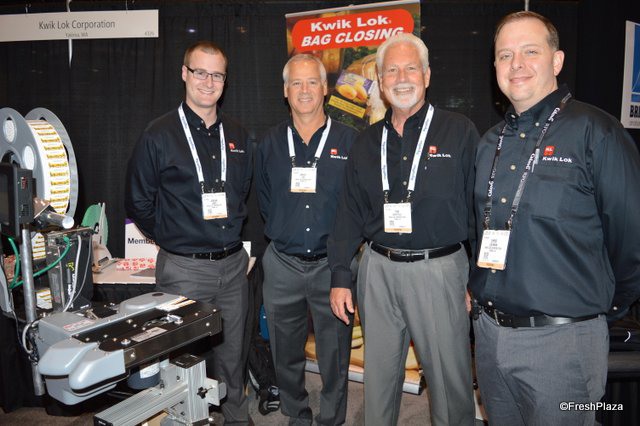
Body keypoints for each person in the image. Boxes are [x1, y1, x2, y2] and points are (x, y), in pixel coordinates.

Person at [470, 11, 640, 425]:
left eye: (530, 51)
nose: (516, 64)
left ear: (557, 60)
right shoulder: (490, 143)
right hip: (489, 337)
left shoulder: (597, 132)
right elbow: (482, 231)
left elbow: (632, 239)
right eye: (505, 55)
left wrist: (597, 311)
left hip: (563, 344)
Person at [328, 33, 478, 426]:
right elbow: (348, 212)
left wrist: (477, 278)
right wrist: (341, 275)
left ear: (426, 76)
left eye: (411, 68)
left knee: (449, 384)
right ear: (380, 81)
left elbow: (479, 209)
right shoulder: (366, 142)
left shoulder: (458, 131)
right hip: (377, 270)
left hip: (438, 270)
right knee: (377, 381)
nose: (401, 78)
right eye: (391, 71)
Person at [125, 41, 253, 425]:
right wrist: (174, 237)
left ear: (225, 81)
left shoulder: (238, 134)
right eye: (200, 72)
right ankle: (186, 419)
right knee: (182, 359)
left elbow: (243, 191)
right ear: (184, 73)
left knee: (233, 355)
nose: (208, 82)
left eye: (217, 75)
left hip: (233, 268)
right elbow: (138, 201)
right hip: (183, 270)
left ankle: (236, 417)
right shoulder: (158, 134)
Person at [255, 54, 357, 425]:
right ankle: (297, 414)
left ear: (325, 88)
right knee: (285, 353)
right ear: (285, 90)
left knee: (335, 354)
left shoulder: (350, 141)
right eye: (296, 83)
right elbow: (265, 200)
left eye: (312, 81)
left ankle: (331, 419)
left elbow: (356, 206)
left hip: (332, 266)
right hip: (283, 264)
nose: (304, 90)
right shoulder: (269, 143)